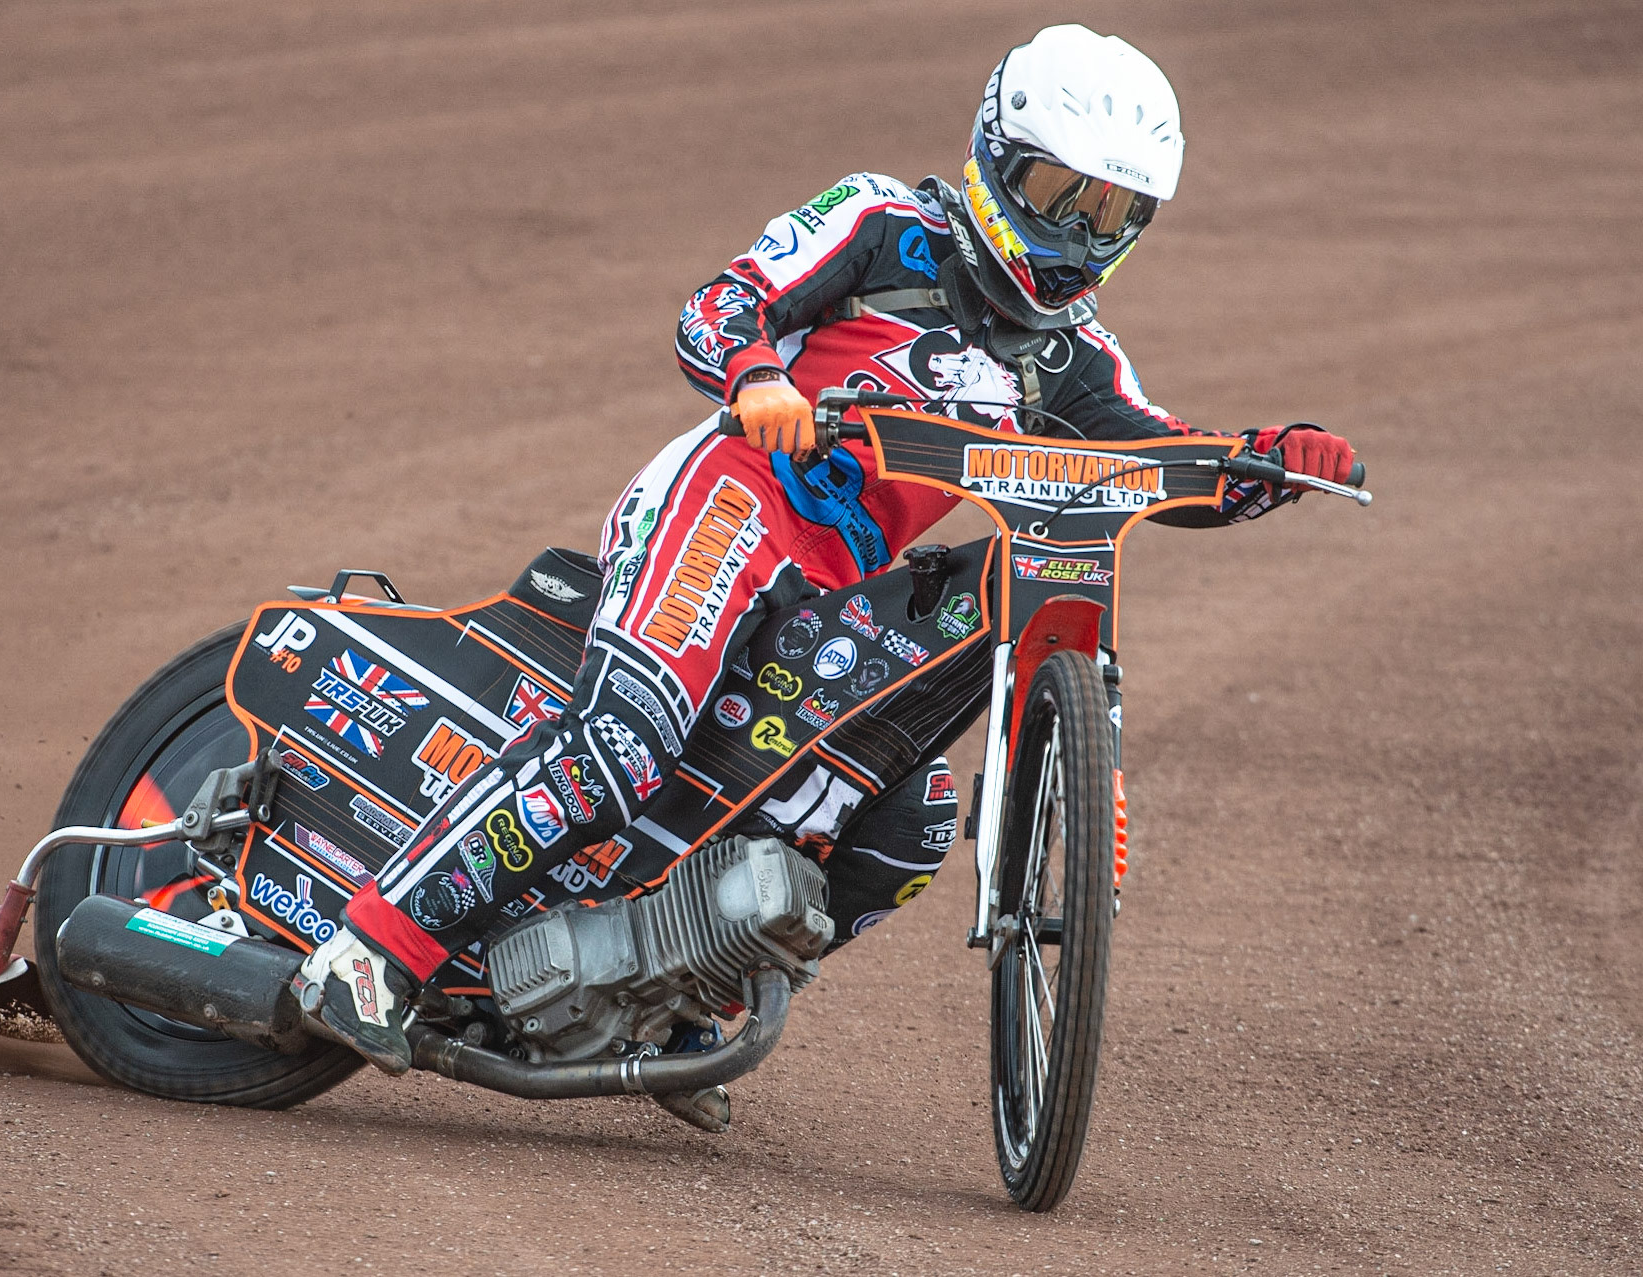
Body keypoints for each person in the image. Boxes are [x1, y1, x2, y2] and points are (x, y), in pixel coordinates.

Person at [294, 23, 1355, 1077]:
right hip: (731, 503)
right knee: (624, 740)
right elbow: (719, 306)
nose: (1082, 233)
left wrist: (1268, 461)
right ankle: (369, 951)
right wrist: (760, 374)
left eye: (1115, 212)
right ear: (996, 155)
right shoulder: (883, 222)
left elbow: (1163, 460)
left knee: (909, 826)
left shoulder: (1076, 360)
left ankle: (672, 998)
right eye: (1060, 193)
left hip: (834, 583)